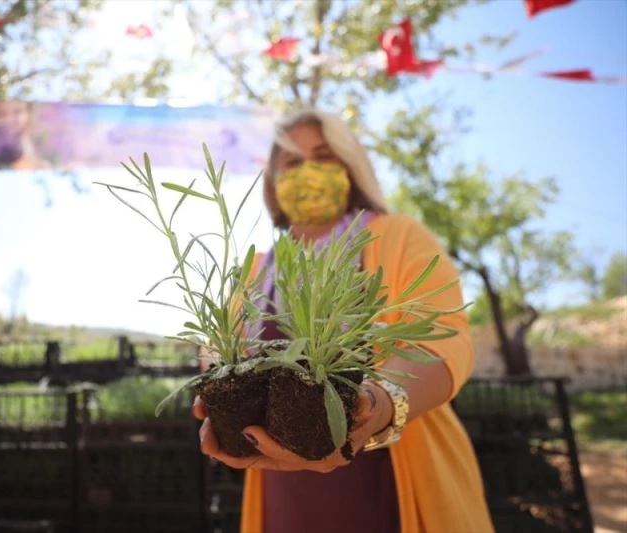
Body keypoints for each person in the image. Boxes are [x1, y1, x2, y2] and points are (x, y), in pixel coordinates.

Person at [193, 109, 494, 533]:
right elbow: (217, 344)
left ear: (351, 168)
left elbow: (443, 340)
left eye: (324, 156)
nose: (308, 171)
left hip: (390, 481)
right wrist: (216, 374)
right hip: (284, 495)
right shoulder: (253, 270)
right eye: (293, 163)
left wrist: (378, 406)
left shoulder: (398, 236)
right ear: (273, 184)